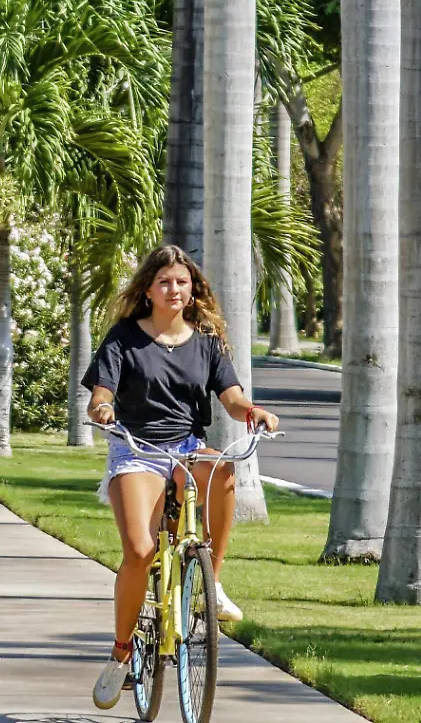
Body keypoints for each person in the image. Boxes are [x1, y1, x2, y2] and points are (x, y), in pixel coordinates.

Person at [83, 243, 280, 711]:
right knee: (139, 550)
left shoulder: (207, 341)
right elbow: (100, 393)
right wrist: (103, 408)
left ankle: (211, 579)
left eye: (182, 282)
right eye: (165, 282)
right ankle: (121, 652)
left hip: (186, 448)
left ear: (193, 291)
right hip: (137, 450)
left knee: (221, 468)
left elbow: (231, 397)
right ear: (148, 290)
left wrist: (252, 411)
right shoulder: (123, 338)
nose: (174, 289)